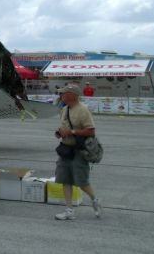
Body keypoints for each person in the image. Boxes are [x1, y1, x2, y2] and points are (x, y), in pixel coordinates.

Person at [53, 84, 102, 220]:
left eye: (64, 93)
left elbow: (91, 131)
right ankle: (69, 210)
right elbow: (64, 127)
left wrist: (72, 132)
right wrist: (59, 133)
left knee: (81, 181)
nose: (61, 95)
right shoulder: (64, 109)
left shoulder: (83, 110)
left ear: (72, 95)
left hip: (78, 151)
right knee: (65, 179)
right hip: (65, 149)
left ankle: (94, 199)